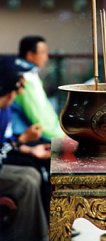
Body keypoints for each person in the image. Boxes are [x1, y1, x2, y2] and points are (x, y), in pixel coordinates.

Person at [0, 58, 48, 241]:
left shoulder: (5, 109)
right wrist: (23, 140)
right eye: (18, 85)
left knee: (33, 174)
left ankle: (39, 234)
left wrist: (29, 148)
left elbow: (5, 141)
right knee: (26, 182)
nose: (20, 91)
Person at [11, 36, 64, 140]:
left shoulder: (29, 74)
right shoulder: (26, 78)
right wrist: (61, 136)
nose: (46, 58)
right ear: (30, 55)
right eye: (43, 52)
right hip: (35, 137)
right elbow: (39, 118)